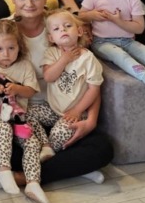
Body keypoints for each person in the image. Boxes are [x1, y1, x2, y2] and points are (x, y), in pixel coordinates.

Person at [0, 0, 112, 191]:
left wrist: (91, 119)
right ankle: (64, 168)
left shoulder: (60, 25)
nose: (29, 4)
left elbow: (89, 77)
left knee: (103, 149)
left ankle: (22, 177)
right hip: (16, 114)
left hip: (58, 112)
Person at [0, 20, 48, 203]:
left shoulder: (25, 66)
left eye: (11, 48)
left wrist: (17, 89)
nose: (5, 54)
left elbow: (30, 91)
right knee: (4, 130)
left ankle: (33, 183)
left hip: (19, 117)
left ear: (19, 46)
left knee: (32, 143)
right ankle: (4, 171)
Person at [31, 10, 104, 158]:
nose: (63, 30)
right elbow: (49, 77)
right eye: (56, 29)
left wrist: (77, 110)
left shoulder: (88, 59)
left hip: (75, 114)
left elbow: (94, 89)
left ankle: (50, 150)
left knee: (59, 134)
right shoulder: (51, 53)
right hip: (53, 109)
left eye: (68, 26)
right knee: (25, 113)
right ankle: (44, 144)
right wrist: (64, 59)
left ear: (79, 31)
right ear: (51, 38)